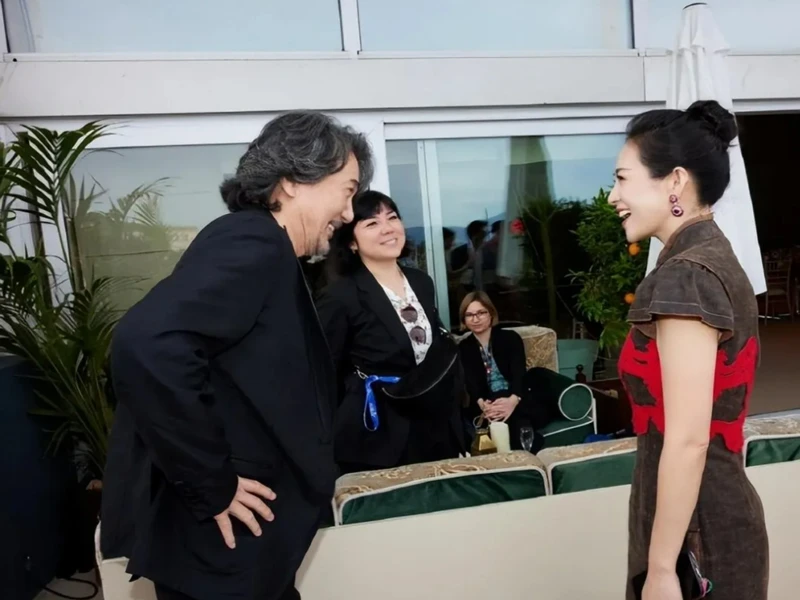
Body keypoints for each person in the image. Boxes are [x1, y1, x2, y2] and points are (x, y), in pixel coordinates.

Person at [100, 111, 373, 600]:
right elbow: (147, 345)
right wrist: (214, 483)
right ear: (292, 182)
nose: (349, 213)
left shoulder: (259, 245)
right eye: (347, 190)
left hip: (240, 550)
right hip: (223, 551)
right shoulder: (252, 242)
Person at [610, 100, 768, 600]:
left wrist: (660, 570)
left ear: (674, 181)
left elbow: (687, 439)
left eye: (623, 179)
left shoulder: (686, 277)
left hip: (696, 536)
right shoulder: (710, 258)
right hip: (701, 522)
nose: (613, 196)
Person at [317, 190, 466, 473]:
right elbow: (325, 373)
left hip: (434, 420)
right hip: (380, 433)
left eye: (392, 217)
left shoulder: (421, 282)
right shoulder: (340, 296)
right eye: (371, 223)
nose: (387, 228)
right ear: (351, 241)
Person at [457, 291, 547, 453]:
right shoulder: (464, 348)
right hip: (487, 404)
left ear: (491, 313)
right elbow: (471, 384)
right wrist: (484, 406)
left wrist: (512, 401)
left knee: (516, 421)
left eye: (481, 313)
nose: (475, 319)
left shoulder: (510, 338)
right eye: (469, 315)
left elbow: (519, 373)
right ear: (464, 320)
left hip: (516, 397)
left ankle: (527, 457)